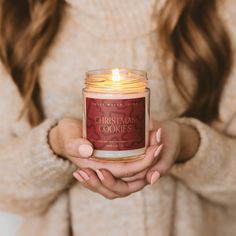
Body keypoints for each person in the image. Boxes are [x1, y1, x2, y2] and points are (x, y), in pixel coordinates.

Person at [0, 0, 236, 235]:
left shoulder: (222, 12)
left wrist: (188, 145)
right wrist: (54, 146)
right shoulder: (17, 14)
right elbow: (6, 192)